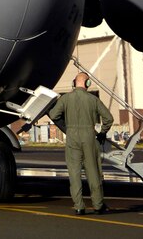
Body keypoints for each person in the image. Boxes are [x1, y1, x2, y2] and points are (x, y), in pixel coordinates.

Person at [47, 71, 114, 215]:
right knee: (93, 172)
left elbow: (53, 115)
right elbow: (109, 118)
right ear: (88, 83)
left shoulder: (65, 99)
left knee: (74, 173)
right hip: (89, 136)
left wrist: (67, 126)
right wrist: (102, 132)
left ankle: (79, 206)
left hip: (72, 136)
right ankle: (98, 205)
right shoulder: (93, 99)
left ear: (74, 83)